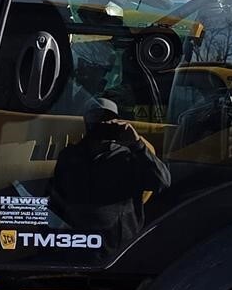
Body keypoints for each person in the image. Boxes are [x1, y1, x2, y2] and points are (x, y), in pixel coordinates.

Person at [49, 98, 172, 244]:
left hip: (118, 248)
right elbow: (56, 199)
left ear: (118, 122)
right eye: (97, 118)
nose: (103, 124)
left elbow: (162, 182)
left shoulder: (129, 156)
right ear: (86, 122)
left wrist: (137, 144)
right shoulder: (70, 156)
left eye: (109, 119)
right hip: (77, 243)